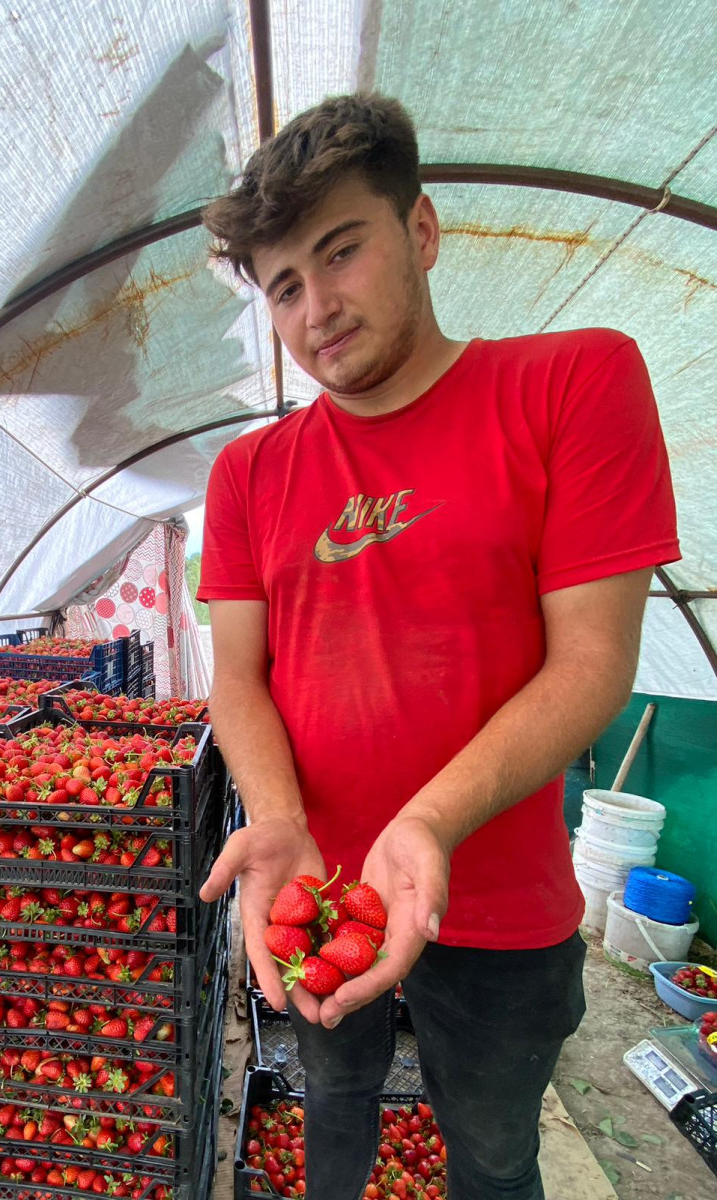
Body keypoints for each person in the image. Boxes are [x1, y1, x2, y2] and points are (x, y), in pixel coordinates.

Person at [195, 93, 679, 1200]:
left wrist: (424, 822)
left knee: (494, 1151)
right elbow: (237, 677)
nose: (315, 306)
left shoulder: (571, 383)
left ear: (418, 232)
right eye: (281, 287)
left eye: (339, 252)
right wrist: (276, 818)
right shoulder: (249, 475)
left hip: (502, 908)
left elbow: (590, 661)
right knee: (332, 1114)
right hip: (313, 890)